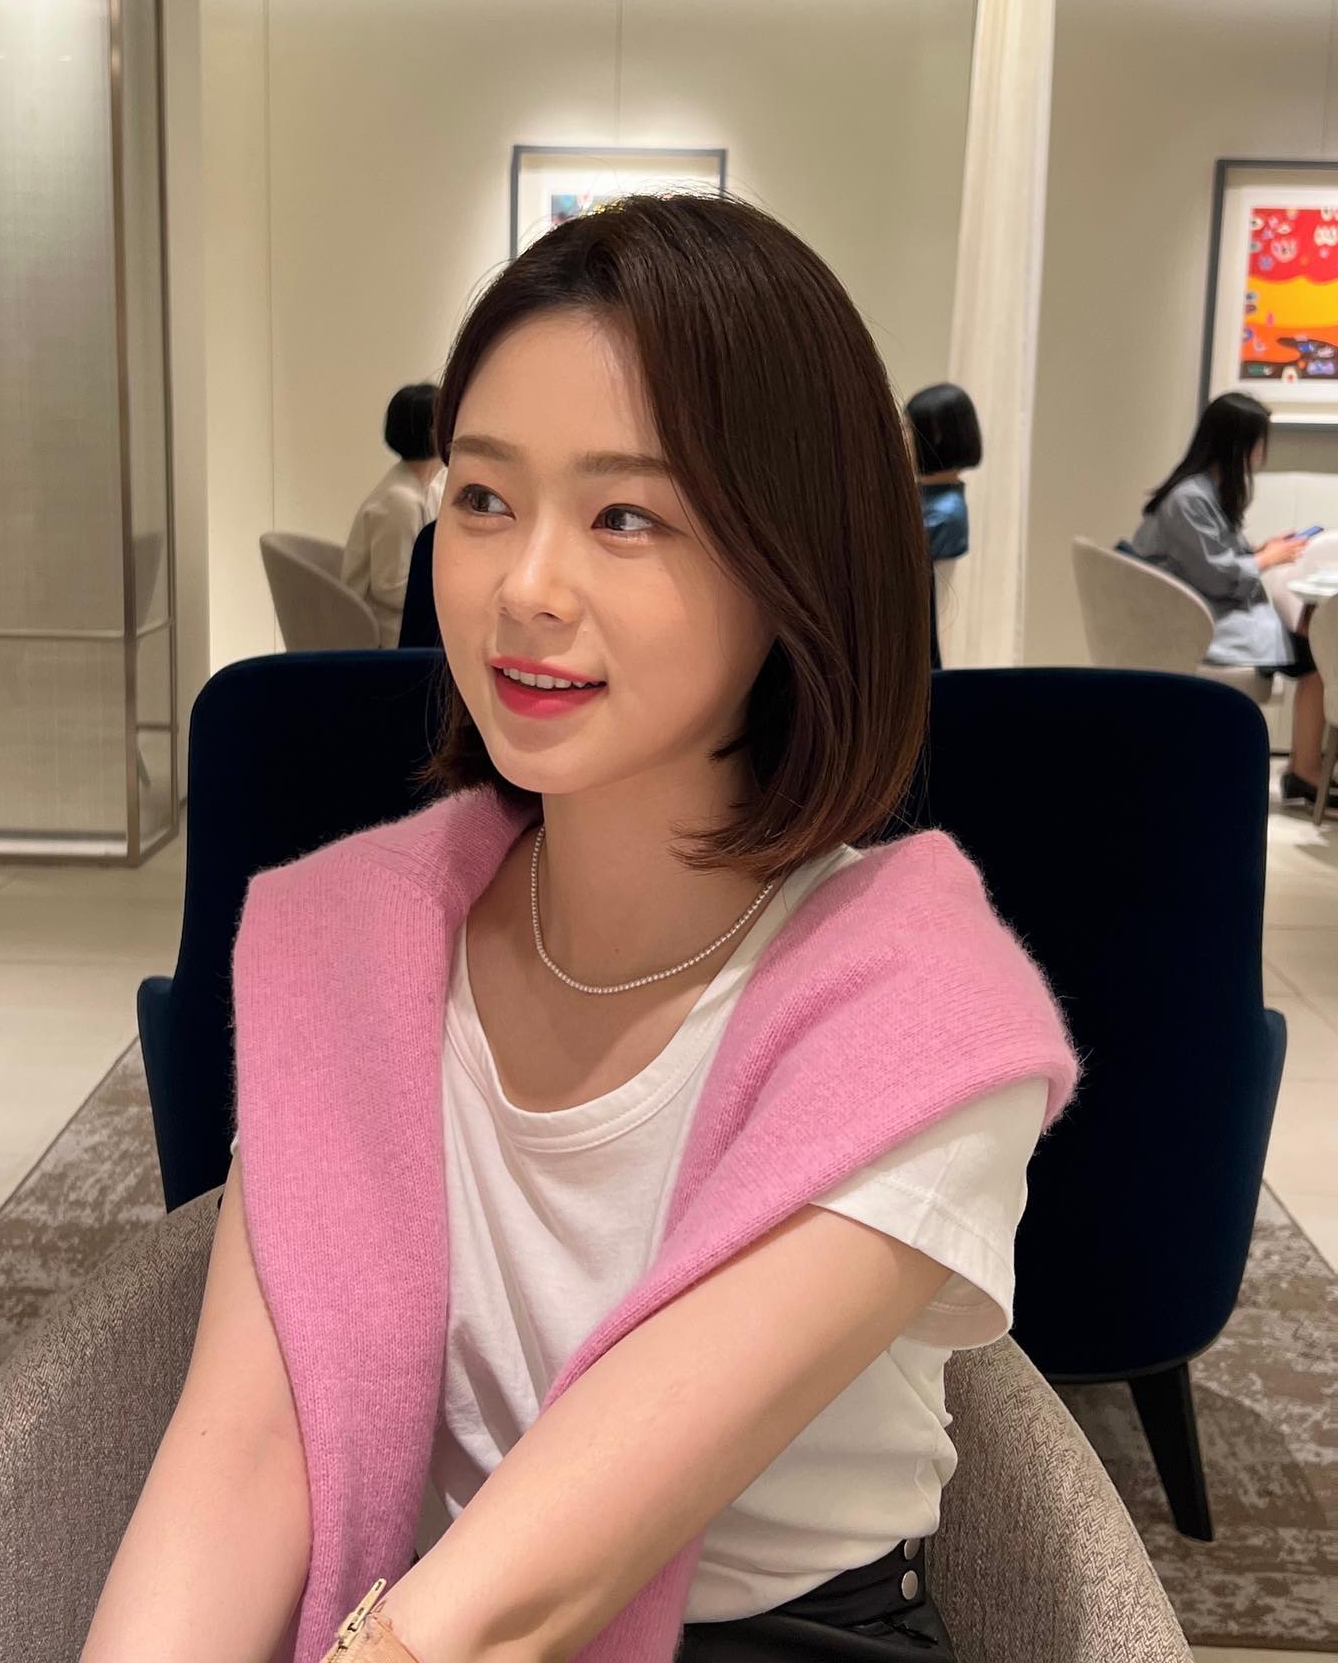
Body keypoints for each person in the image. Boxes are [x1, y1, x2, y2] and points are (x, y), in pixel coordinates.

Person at [85, 196, 1078, 1663]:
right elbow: (242, 1456)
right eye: (484, 498)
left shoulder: (918, 1014)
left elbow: (532, 1590)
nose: (524, 588)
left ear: (795, 564)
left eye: (626, 517)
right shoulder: (350, 941)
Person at [1128, 391, 1332, 809]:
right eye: (1259, 442)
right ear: (1238, 443)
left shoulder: (1201, 492)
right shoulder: (1189, 499)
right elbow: (1216, 575)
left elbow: (1211, 559)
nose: (1262, 453)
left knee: (1310, 644)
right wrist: (1267, 558)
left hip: (1206, 611)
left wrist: (1262, 550)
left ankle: (1304, 768)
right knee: (1315, 656)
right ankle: (1306, 771)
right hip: (1197, 621)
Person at [340, 382, 447, 647]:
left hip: (405, 628)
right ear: (434, 432)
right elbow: (390, 587)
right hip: (388, 638)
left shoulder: (425, 488)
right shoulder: (399, 503)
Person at [904, 383, 981, 565]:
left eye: (908, 428)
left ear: (938, 438)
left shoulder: (946, 516)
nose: (903, 437)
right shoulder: (923, 500)